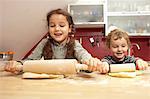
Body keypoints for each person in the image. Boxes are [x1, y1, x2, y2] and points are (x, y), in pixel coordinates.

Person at [4, 8, 107, 74]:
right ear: (48, 28)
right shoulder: (44, 43)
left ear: (70, 28)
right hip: (49, 82)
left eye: (61, 25)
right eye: (52, 25)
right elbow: (30, 61)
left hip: (71, 83)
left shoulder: (74, 44)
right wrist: (17, 64)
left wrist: (91, 61)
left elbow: (84, 57)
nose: (57, 29)